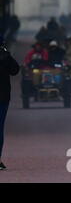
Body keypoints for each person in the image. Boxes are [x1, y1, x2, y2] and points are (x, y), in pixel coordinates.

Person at [0, 35, 20, 170]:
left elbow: (15, 70)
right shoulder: (4, 55)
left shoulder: (4, 56)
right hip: (2, 98)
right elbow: (15, 70)